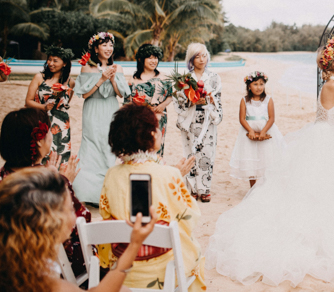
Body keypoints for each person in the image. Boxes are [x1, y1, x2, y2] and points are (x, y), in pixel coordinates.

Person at [206, 38, 334, 287]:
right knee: (320, 192)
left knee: (328, 193)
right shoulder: (333, 86)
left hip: (327, 138)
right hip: (324, 142)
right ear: (333, 63)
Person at [99, 104, 206, 291]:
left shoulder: (111, 174)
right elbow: (190, 217)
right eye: (157, 128)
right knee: (196, 254)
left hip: (121, 269)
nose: (159, 132)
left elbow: (106, 213)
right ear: (150, 135)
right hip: (163, 272)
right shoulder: (168, 174)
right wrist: (175, 178)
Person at [0, 166, 157, 292]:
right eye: (70, 209)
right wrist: (134, 244)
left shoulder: (17, 267)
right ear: (49, 223)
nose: (75, 217)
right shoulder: (45, 284)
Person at [0, 107, 90, 278]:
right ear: (39, 141)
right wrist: (64, 183)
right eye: (49, 131)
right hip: (45, 268)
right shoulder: (50, 183)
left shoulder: (4, 178)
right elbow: (79, 222)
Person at [72, 32, 130, 205]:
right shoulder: (87, 68)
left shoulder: (118, 68)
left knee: (109, 147)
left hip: (111, 109)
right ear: (96, 48)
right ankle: (87, 194)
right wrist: (101, 78)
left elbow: (121, 94)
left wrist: (112, 80)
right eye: (104, 45)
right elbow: (84, 95)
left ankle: (108, 194)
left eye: (111, 45)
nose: (108, 48)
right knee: (90, 148)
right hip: (92, 109)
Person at [174, 43, 223, 202]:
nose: (201, 59)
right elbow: (179, 100)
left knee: (207, 154)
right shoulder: (185, 78)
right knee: (190, 153)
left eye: (204, 55)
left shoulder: (214, 77)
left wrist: (209, 100)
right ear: (191, 59)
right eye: (197, 56)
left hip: (207, 120)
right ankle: (193, 188)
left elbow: (218, 99)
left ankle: (205, 188)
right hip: (190, 120)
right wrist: (192, 101)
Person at [230, 71, 284, 187]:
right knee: (251, 158)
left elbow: (271, 118)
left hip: (266, 130)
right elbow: (242, 119)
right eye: (255, 84)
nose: (259, 87)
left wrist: (264, 131)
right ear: (249, 86)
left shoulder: (268, 100)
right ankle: (252, 187)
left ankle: (266, 186)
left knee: (266, 157)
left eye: (261, 84)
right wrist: (250, 130)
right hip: (248, 133)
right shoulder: (244, 100)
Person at [25, 45, 75, 165]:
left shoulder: (70, 82)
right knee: (41, 155)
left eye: (55, 61)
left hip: (61, 124)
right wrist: (44, 107)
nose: (51, 63)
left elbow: (66, 103)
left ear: (64, 64)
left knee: (60, 155)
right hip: (41, 120)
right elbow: (28, 102)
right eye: (49, 60)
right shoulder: (39, 78)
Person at [126, 43, 173, 157]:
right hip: (140, 119)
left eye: (155, 58)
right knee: (140, 148)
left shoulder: (164, 77)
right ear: (141, 59)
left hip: (159, 118)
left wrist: (162, 105)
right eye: (150, 58)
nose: (153, 61)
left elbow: (171, 95)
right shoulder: (133, 79)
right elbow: (128, 101)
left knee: (157, 149)